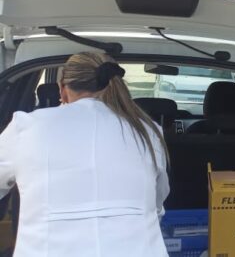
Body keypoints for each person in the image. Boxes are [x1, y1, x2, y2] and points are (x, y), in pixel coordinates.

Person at [0, 52, 170, 256]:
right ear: (113, 84)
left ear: (62, 89)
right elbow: (157, 202)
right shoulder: (148, 132)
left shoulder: (26, 128)